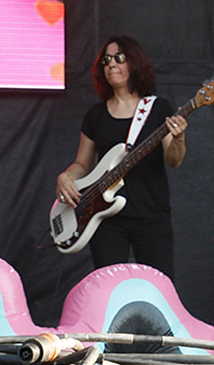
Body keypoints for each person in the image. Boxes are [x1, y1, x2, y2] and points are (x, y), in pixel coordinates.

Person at [55, 36, 186, 279]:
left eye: (119, 58)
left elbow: (174, 160)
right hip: (106, 220)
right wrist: (66, 176)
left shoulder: (158, 109)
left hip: (151, 217)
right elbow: (82, 164)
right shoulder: (96, 115)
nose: (111, 64)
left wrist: (178, 138)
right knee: (108, 290)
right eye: (106, 60)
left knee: (160, 290)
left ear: (134, 63)